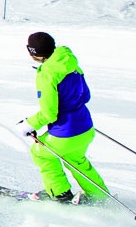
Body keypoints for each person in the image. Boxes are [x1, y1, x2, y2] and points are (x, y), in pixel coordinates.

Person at [17, 31, 109, 203]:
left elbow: (49, 113)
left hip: (66, 134)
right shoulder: (71, 63)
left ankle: (60, 193)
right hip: (85, 127)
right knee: (76, 160)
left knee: (40, 154)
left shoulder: (47, 75)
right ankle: (100, 197)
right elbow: (85, 96)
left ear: (33, 53)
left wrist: (28, 124)